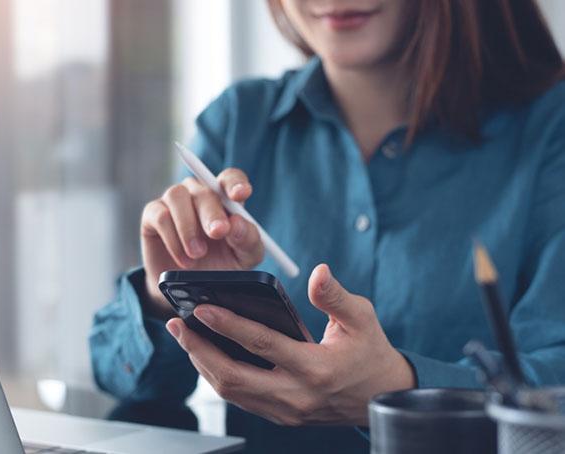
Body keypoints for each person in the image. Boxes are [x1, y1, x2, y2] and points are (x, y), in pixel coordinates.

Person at [89, 0, 565, 452]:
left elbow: (555, 371)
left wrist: (398, 390)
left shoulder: (550, 130)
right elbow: (117, 373)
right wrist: (164, 294)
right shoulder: (238, 121)